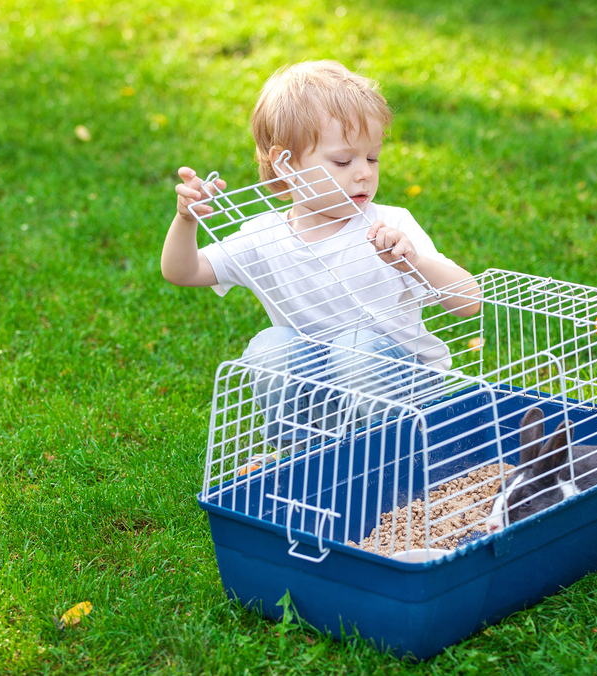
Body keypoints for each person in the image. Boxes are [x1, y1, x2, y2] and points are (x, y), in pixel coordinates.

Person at [161, 60, 480, 463]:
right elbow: (182, 272)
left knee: (354, 347)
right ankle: (314, 460)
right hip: (324, 397)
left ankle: (401, 458)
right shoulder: (266, 235)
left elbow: (471, 302)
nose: (364, 173)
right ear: (286, 163)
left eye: (373, 158)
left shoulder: (391, 224)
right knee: (269, 348)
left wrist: (414, 262)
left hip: (408, 395)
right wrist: (185, 219)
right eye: (343, 162)